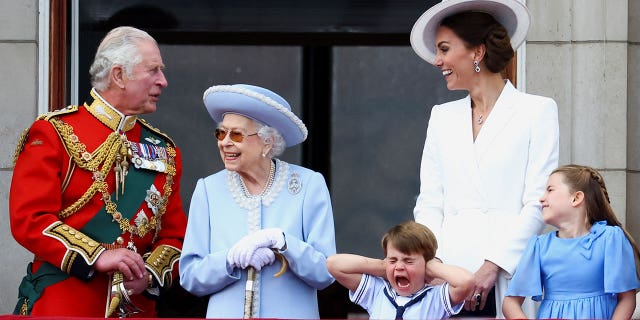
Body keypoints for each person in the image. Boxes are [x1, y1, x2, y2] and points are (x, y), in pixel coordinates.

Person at [9, 26, 187, 317]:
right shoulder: (55, 133)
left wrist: (149, 275)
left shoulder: (165, 150)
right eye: (153, 70)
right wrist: (98, 256)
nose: (163, 81)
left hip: (136, 307)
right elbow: (30, 219)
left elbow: (176, 237)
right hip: (66, 304)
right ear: (119, 75)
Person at [409, 0, 559, 317]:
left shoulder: (537, 112)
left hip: (508, 274)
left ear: (477, 52)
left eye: (444, 49)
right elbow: (430, 202)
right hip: (445, 279)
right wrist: (432, 263)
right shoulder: (441, 117)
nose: (437, 61)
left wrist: (494, 265)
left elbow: (537, 203)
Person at [179, 84, 336, 319]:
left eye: (237, 134)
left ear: (268, 142)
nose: (225, 142)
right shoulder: (208, 190)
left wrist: (283, 243)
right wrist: (230, 259)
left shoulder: (308, 185)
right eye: (221, 133)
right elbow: (190, 276)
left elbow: (325, 273)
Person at [503, 164, 640, 319]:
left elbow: (627, 299)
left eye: (550, 190)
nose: (541, 198)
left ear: (576, 198)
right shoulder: (539, 246)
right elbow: (510, 303)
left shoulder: (610, 238)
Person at [327, 221, 474, 319]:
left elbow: (466, 281)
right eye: (393, 260)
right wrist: (381, 267)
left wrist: (432, 267)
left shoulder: (435, 299)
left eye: (408, 261)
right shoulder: (377, 292)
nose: (399, 266)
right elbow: (333, 264)